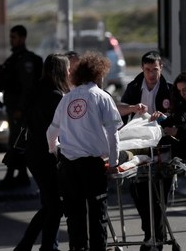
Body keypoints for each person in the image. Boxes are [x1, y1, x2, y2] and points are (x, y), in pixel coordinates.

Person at [46, 51, 123, 251]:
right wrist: (113, 164)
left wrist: (54, 151)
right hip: (92, 165)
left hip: (68, 166)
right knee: (97, 214)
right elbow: (113, 134)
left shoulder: (66, 99)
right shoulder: (102, 97)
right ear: (99, 74)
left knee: (74, 217)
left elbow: (51, 132)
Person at [14, 53, 71, 251]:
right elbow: (59, 128)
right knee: (54, 206)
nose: (70, 72)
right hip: (46, 155)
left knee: (51, 205)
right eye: (68, 69)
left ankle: (41, 246)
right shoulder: (55, 96)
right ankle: (34, 246)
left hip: (34, 154)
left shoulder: (36, 90)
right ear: (61, 71)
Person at [120, 50, 174, 250]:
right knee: (139, 193)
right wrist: (133, 108)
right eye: (148, 70)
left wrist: (164, 117)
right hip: (138, 149)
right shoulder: (133, 88)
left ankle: (157, 239)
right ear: (142, 69)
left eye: (155, 70)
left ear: (161, 69)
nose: (152, 74)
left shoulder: (169, 90)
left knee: (161, 195)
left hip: (162, 149)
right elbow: (119, 111)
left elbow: (176, 118)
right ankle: (149, 234)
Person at [0, 24, 43, 191]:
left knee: (16, 142)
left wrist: (20, 109)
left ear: (22, 38)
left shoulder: (26, 60)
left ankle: (11, 176)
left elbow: (27, 87)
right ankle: (21, 176)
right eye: (10, 37)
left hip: (20, 110)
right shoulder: (14, 59)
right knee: (17, 142)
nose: (11, 40)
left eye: (14, 37)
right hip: (14, 108)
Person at [150, 70, 186, 161]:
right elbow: (175, 119)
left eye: (185, 90)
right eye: (179, 90)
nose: (182, 94)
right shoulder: (183, 104)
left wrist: (177, 132)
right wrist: (162, 119)